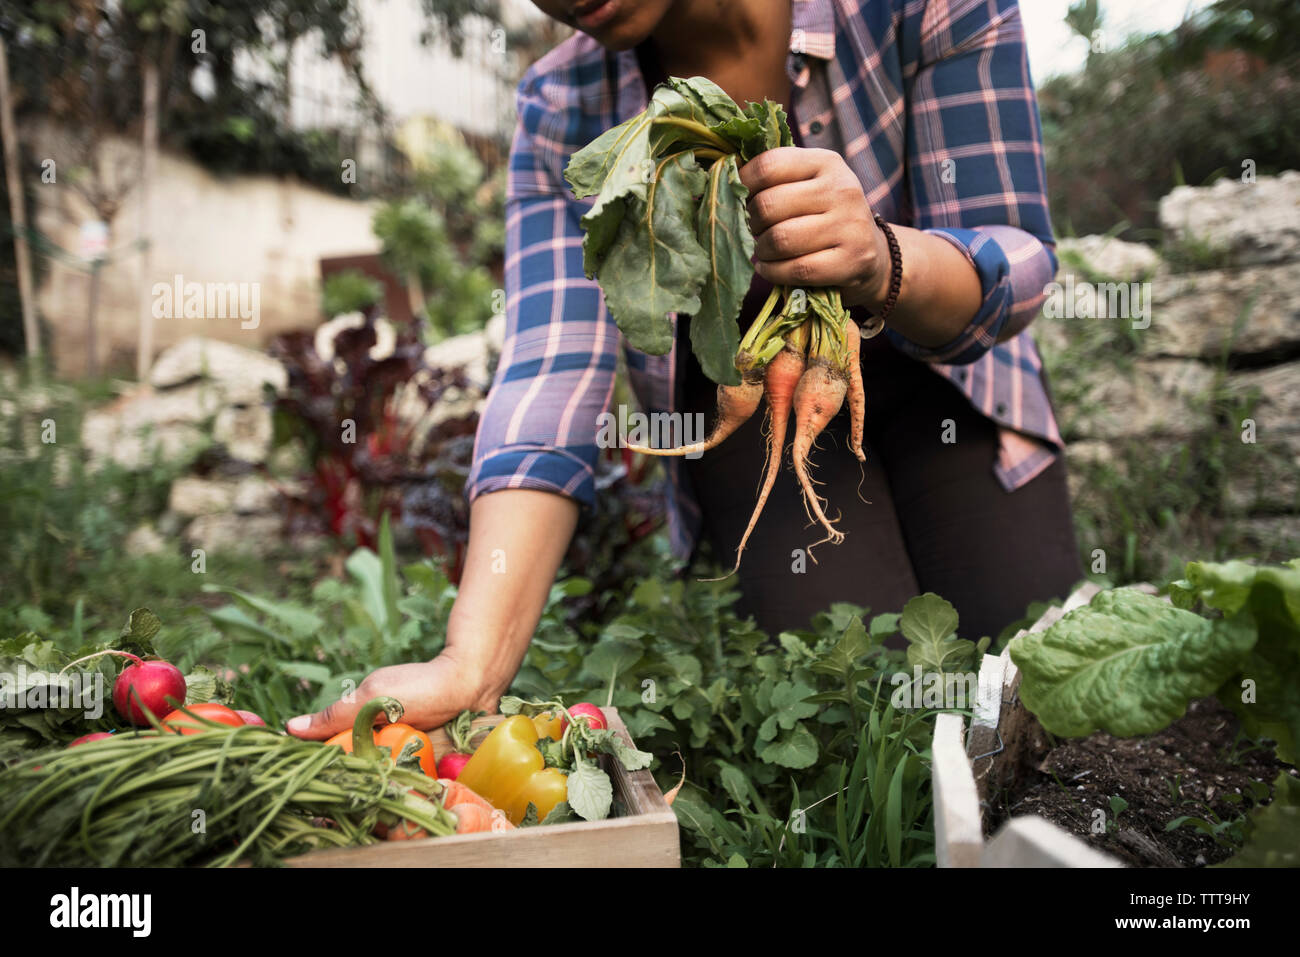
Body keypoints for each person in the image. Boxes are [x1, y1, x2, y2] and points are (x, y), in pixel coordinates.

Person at [287, 0, 1081, 740]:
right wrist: (472, 661)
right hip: (750, 398)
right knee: (861, 714)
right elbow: (551, 372)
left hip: (951, 373)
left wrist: (878, 257)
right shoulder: (562, 105)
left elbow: (1016, 252)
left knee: (1029, 690)